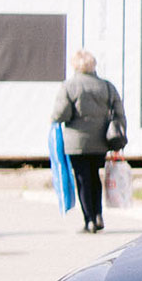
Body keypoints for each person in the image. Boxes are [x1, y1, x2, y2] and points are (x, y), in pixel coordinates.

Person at [52, 49, 125, 233]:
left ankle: (89, 220)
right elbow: (119, 112)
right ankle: (99, 214)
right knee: (95, 177)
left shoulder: (69, 86)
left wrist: (53, 118)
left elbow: (62, 114)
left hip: (77, 143)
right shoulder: (106, 86)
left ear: (75, 65)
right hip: (101, 141)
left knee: (83, 180)